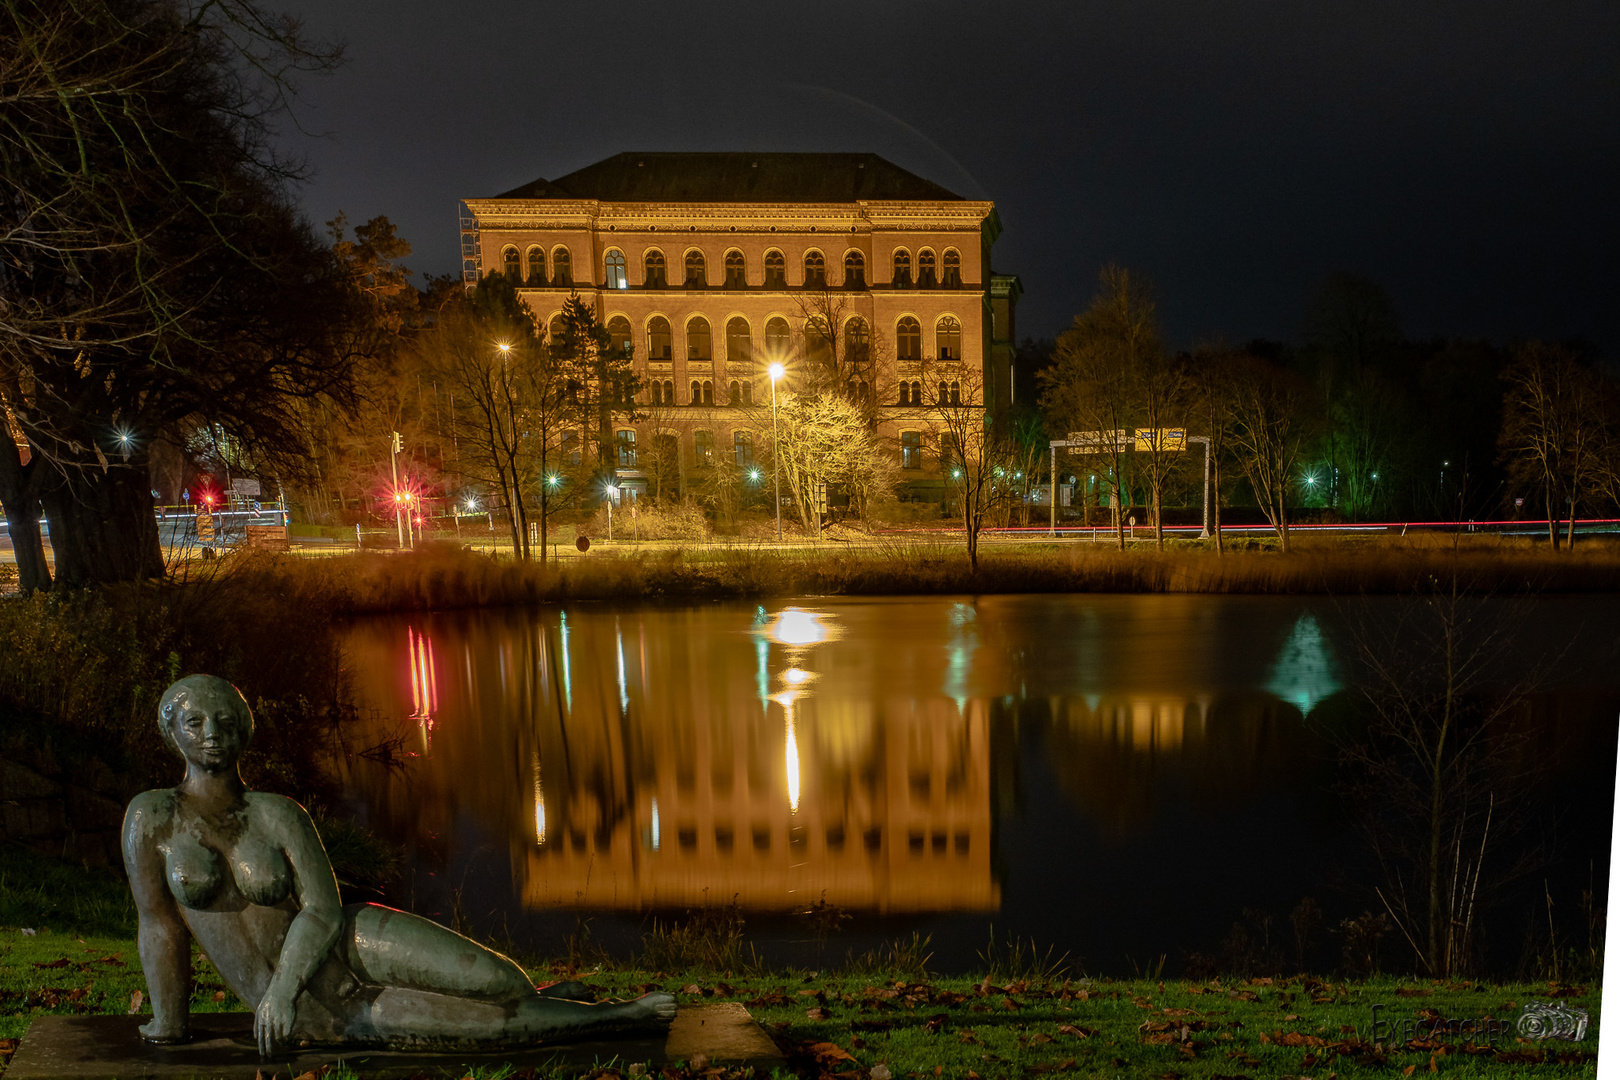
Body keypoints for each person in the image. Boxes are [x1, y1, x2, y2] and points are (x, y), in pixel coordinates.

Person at [122, 675, 675, 1054]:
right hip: (328, 1009)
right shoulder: (153, 817)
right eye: (195, 723)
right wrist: (169, 1025)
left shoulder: (276, 813)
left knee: (502, 979)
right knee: (488, 1026)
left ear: (243, 729)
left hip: (345, 938)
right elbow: (159, 924)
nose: (212, 735)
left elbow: (323, 909)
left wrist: (281, 989)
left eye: (223, 721)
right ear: (172, 731)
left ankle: (542, 1001)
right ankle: (619, 1015)